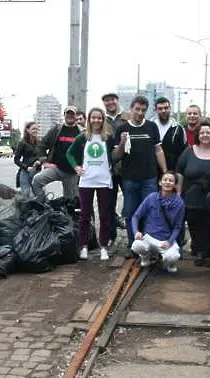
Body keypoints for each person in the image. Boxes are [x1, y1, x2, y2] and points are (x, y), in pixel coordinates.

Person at [114, 95, 168, 257]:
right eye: (137, 109)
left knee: (151, 211)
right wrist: (123, 143)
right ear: (131, 109)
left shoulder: (151, 127)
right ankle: (133, 244)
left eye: (143, 110)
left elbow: (158, 150)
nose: (140, 113)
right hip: (129, 178)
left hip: (149, 177)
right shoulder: (122, 128)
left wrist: (165, 172)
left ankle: (151, 244)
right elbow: (116, 155)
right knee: (131, 212)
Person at [66, 108, 114, 261]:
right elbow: (69, 153)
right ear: (89, 119)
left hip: (104, 180)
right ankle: (84, 246)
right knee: (85, 215)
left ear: (103, 119)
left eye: (99, 118)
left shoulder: (108, 137)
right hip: (86, 181)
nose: (96, 120)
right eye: (93, 118)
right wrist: (76, 167)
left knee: (105, 215)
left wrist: (112, 163)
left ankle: (104, 246)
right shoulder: (82, 137)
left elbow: (113, 153)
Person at [176, 120, 210, 267]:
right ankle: (199, 250)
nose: (205, 135)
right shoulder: (189, 151)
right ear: (197, 135)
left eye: (208, 132)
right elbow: (180, 172)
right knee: (194, 223)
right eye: (202, 133)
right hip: (192, 194)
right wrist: (179, 192)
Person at [131, 171, 185, 272]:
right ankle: (145, 257)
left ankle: (169, 263)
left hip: (165, 239)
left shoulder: (179, 203)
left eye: (171, 180)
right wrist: (136, 232)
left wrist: (170, 241)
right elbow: (135, 216)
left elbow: (178, 226)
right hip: (149, 237)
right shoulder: (152, 197)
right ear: (160, 182)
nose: (167, 182)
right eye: (165, 180)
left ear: (175, 184)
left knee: (172, 256)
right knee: (136, 245)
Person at [32, 106, 81, 200]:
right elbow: (42, 145)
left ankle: (67, 213)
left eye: (72, 114)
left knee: (69, 201)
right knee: (37, 180)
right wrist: (44, 161)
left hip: (72, 173)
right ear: (64, 115)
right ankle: (44, 204)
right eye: (68, 113)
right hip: (56, 169)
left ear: (76, 116)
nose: (70, 116)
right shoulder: (56, 130)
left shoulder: (81, 132)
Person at [102, 92, 130, 244]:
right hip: (108, 170)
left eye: (112, 100)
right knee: (108, 204)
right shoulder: (102, 120)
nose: (110, 103)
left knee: (131, 203)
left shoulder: (128, 117)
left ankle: (134, 236)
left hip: (127, 168)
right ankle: (110, 236)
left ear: (117, 101)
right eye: (106, 101)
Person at [152, 97, 187, 171]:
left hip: (172, 172)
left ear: (170, 108)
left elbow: (183, 152)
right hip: (152, 172)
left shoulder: (178, 129)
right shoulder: (150, 126)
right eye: (160, 108)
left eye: (166, 108)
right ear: (156, 110)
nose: (163, 111)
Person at [14, 121, 43, 198]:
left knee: (40, 195)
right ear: (27, 130)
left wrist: (40, 161)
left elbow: (43, 156)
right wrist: (26, 167)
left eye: (37, 129)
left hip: (37, 172)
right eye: (33, 129)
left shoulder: (39, 142)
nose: (35, 131)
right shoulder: (22, 143)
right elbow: (16, 159)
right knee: (26, 195)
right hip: (25, 172)